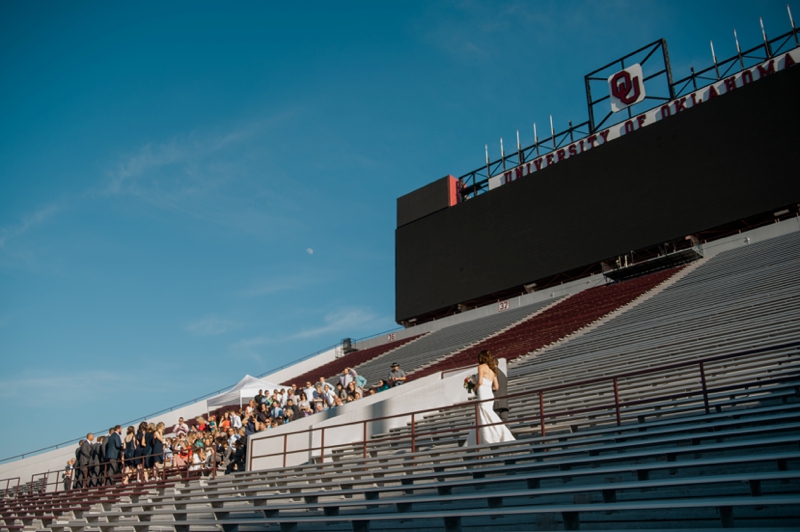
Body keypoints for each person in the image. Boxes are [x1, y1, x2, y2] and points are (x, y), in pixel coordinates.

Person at [464, 350, 515, 446]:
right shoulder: (493, 370)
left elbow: (479, 382)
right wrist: (487, 387)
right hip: (489, 395)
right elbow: (496, 387)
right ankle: (498, 435)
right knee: (488, 414)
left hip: (483, 394)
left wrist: (474, 388)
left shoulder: (481, 367)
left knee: (484, 415)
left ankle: (489, 439)